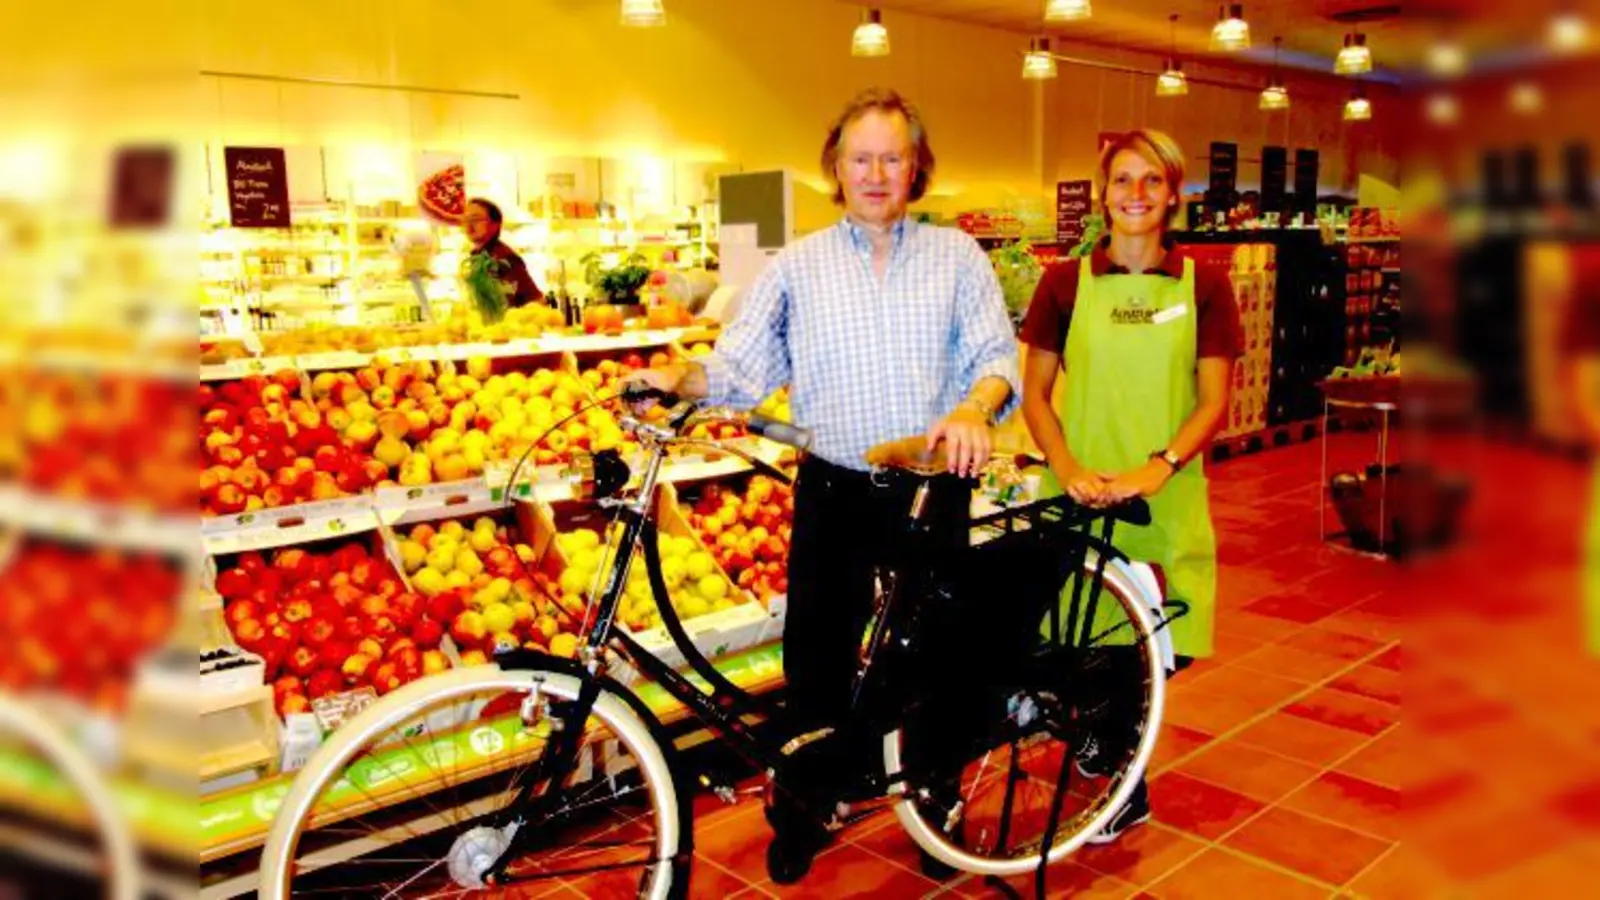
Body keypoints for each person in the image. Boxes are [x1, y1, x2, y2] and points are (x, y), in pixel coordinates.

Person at [625, 87, 1020, 857]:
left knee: (934, 655)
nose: (876, 173)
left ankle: (935, 794)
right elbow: (739, 368)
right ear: (837, 168)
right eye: (860, 157)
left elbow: (994, 357)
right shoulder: (795, 267)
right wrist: (681, 380)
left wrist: (976, 407)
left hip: (930, 490)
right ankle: (808, 805)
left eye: (893, 157)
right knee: (817, 655)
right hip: (834, 486)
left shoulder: (957, 257)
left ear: (917, 168)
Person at [1019, 128, 1241, 843]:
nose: (1136, 195)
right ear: (1104, 192)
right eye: (1123, 181)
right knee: (1079, 642)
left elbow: (1213, 401)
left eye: (1152, 181)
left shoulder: (1204, 284)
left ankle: (1110, 750)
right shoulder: (1063, 284)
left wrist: (1159, 465)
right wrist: (1070, 469)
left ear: (1174, 194)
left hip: (1162, 496)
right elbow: (1035, 395)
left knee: (1156, 646)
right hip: (1080, 494)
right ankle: (1119, 773)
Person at [462, 197, 543, 308]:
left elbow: (535, 299)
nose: (469, 225)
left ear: (495, 224)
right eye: (466, 220)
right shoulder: (477, 256)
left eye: (476, 219)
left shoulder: (504, 257)